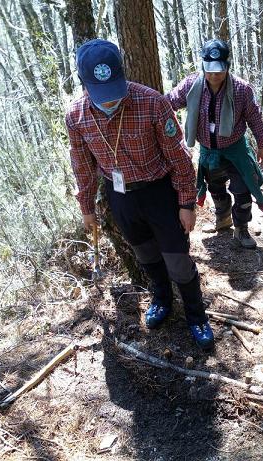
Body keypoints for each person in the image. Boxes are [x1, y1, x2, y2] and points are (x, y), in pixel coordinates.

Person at [65, 39, 214, 350]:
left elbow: (179, 158)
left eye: (114, 93)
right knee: (146, 256)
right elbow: (82, 166)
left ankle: (197, 316)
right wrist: (86, 208)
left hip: (159, 193)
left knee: (177, 261)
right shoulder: (76, 116)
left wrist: (187, 203)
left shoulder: (151, 103)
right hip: (120, 198)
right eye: (101, 95)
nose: (109, 103)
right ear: (84, 84)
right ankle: (161, 299)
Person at [167, 39, 263, 250]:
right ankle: (223, 218)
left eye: (219, 71)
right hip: (208, 151)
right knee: (215, 188)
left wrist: (262, 143)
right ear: (203, 66)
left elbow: (254, 118)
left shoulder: (241, 90)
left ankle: (241, 228)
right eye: (209, 71)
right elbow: (169, 102)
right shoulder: (191, 85)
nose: (214, 76)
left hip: (235, 150)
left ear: (227, 67)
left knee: (242, 190)